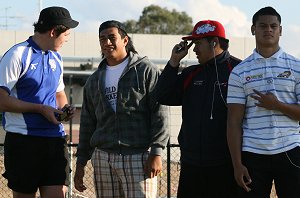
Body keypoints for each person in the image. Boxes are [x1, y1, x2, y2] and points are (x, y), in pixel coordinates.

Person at [73, 20, 169, 198]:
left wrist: (156, 152)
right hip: (103, 158)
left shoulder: (146, 70)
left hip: (139, 156)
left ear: (125, 40)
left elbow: (160, 113)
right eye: (102, 39)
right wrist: (81, 163)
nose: (107, 42)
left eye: (112, 37)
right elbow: (87, 122)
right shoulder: (94, 79)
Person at [155, 20, 241, 198]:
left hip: (226, 165)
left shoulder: (239, 70)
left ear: (214, 43)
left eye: (198, 43)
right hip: (191, 164)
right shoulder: (191, 73)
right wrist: (173, 62)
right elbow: (162, 95)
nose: (193, 49)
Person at [0, 6, 78, 198]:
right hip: (23, 142)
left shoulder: (57, 58)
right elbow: (1, 100)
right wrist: (40, 109)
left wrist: (64, 110)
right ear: (53, 32)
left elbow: (59, 94)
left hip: (54, 140)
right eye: (66, 34)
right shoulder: (17, 54)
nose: (67, 39)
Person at [227, 6, 300, 198]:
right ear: (253, 29)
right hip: (253, 154)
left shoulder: (297, 67)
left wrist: (277, 105)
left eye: (273, 26)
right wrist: (237, 165)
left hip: (291, 151)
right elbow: (233, 122)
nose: (268, 29)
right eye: (263, 26)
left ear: (280, 30)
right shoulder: (239, 71)